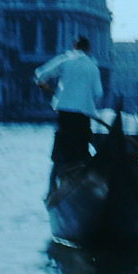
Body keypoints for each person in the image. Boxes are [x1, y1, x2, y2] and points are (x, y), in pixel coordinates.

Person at [34, 36, 103, 174]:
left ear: (74, 46)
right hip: (84, 112)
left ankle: (54, 183)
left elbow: (40, 75)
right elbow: (98, 93)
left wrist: (46, 88)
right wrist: (89, 104)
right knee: (81, 145)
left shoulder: (65, 59)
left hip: (64, 110)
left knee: (63, 143)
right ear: (88, 49)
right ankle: (81, 168)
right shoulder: (93, 66)